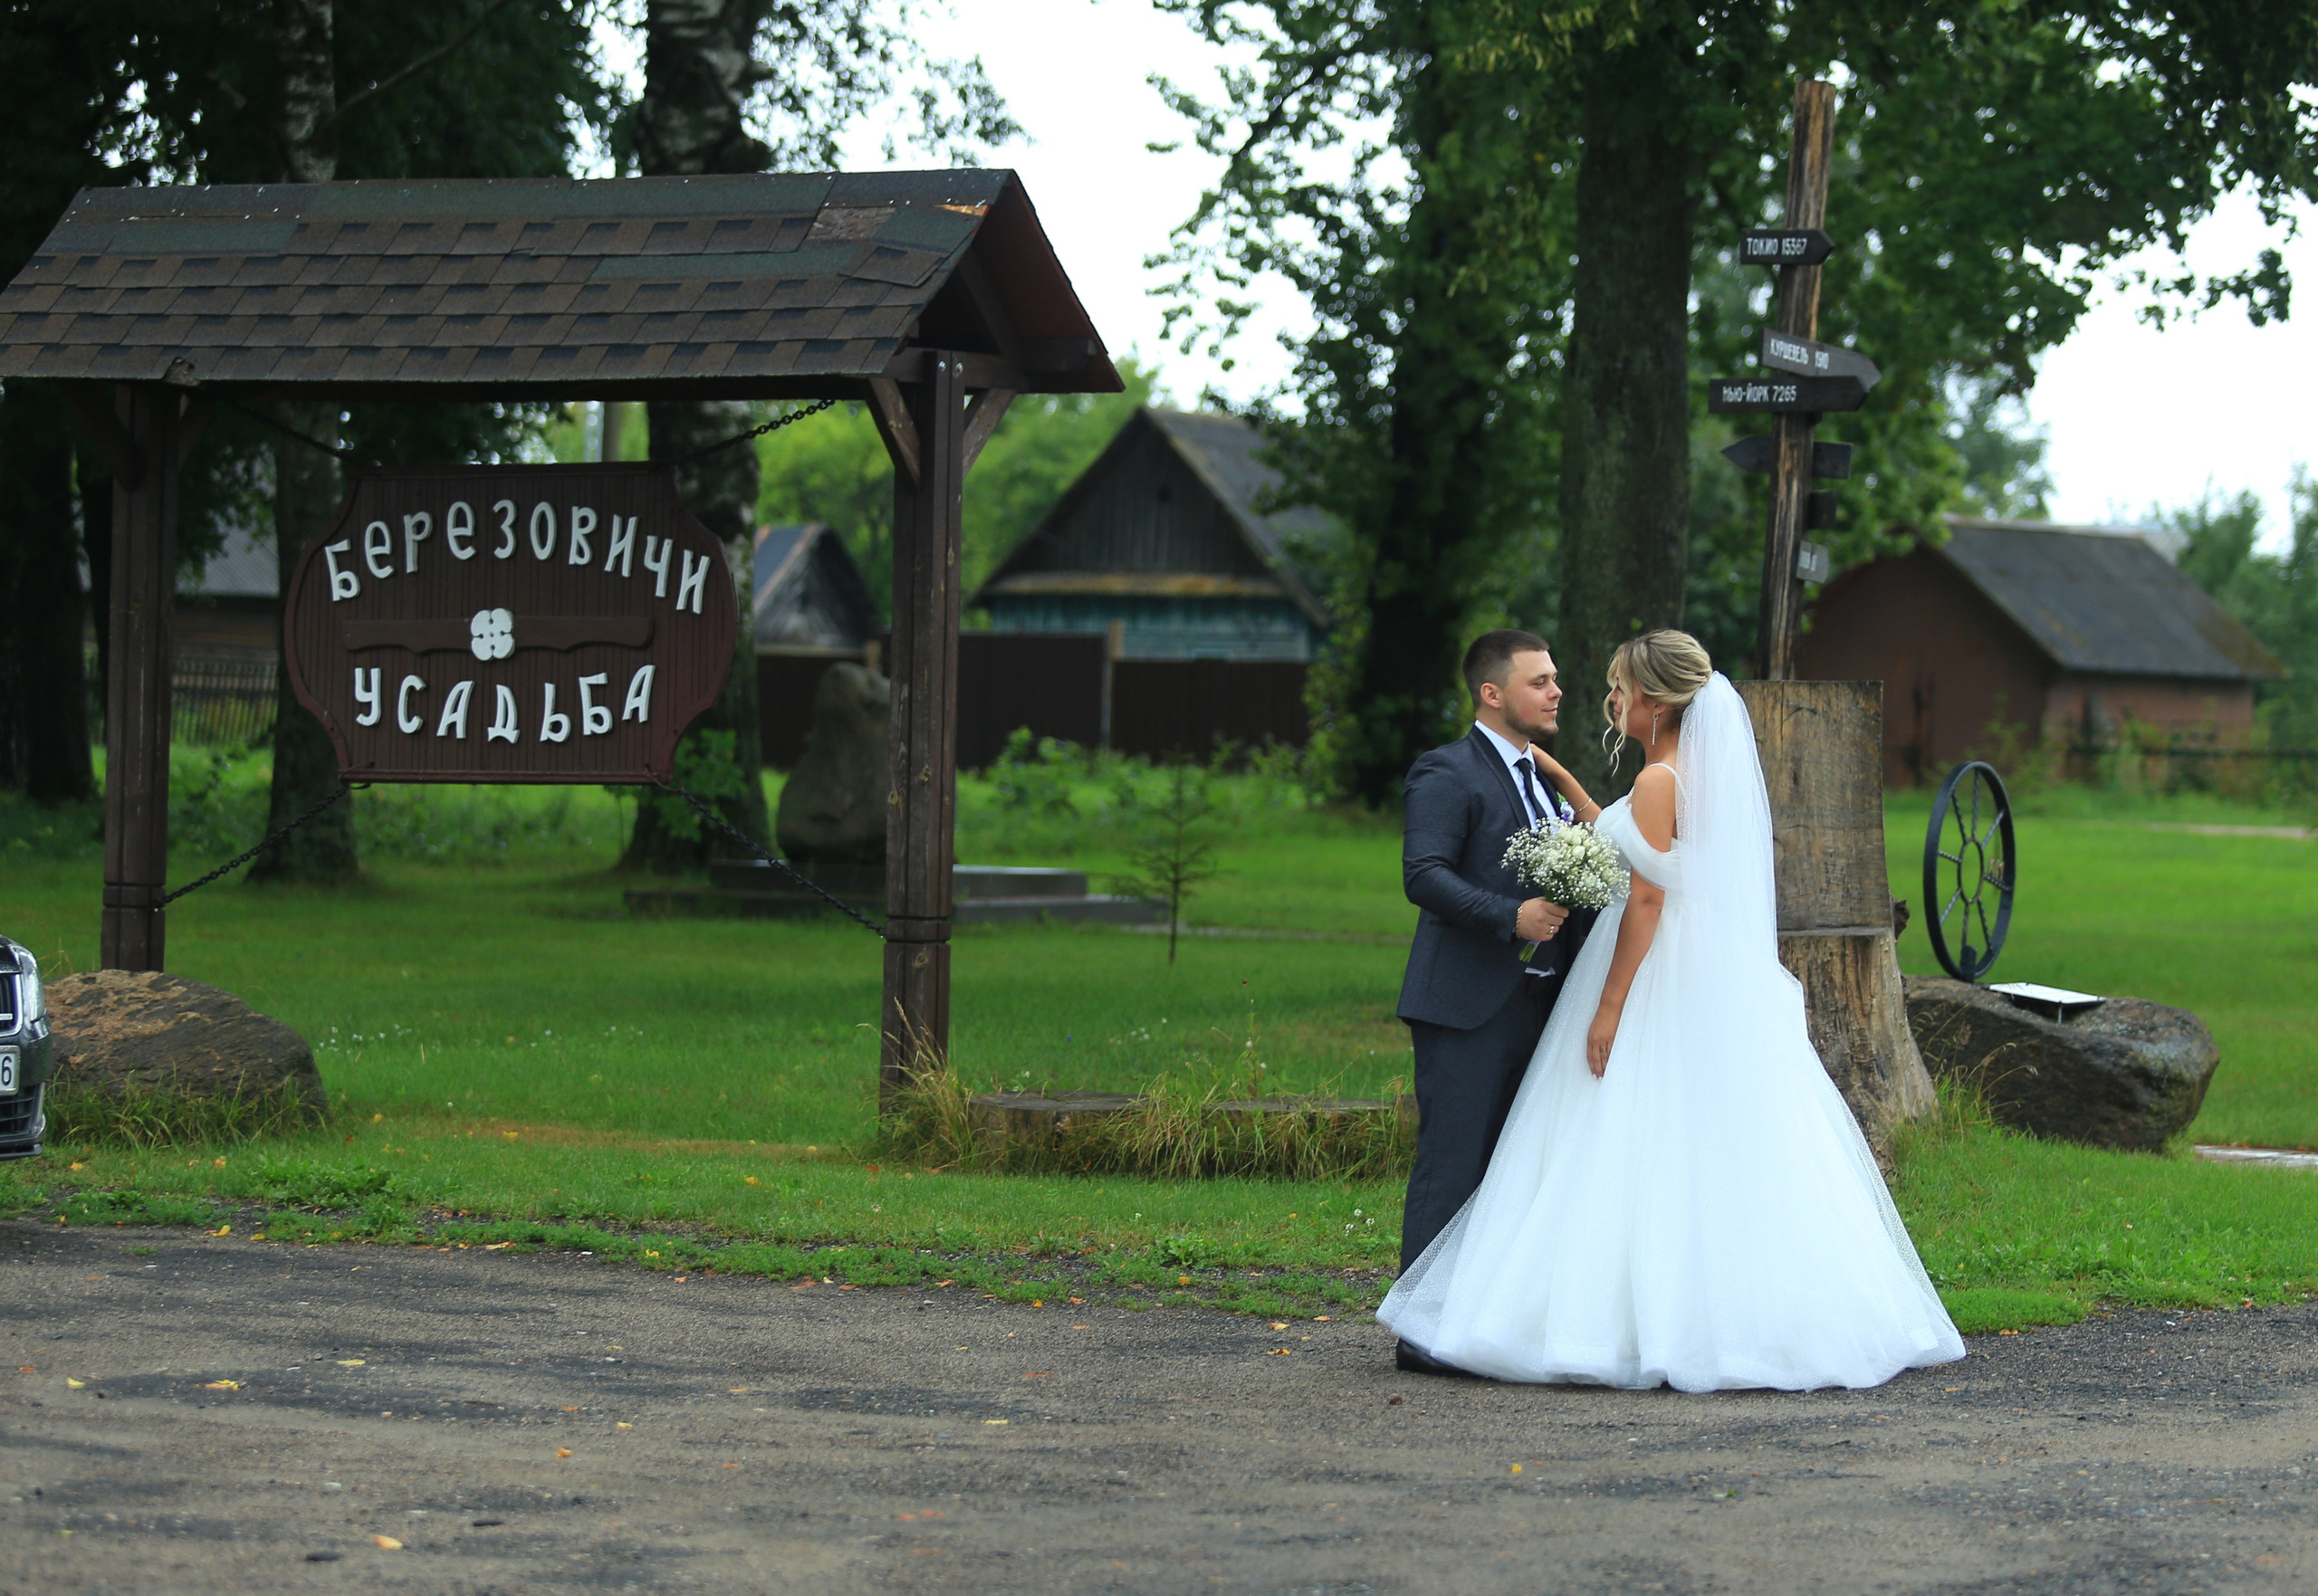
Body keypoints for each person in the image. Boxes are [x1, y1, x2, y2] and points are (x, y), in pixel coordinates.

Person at [1381, 629, 1964, 1391]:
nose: (1605, 699)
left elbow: (1647, 896)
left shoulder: (1660, 780)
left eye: (1618, 686)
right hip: (1686, 969)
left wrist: (1610, 1005)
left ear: (1655, 699)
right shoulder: (1675, 774)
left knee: (1623, 1134)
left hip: (1649, 971)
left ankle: (1593, 1318)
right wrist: (1567, 786)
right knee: (1687, 1137)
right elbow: (1634, 848)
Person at [1392, 630, 1599, 1375]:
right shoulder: (1446, 771)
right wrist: (1507, 916)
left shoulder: (1542, 779)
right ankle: (1422, 1334)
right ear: (1492, 692)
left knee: (1521, 1173)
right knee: (1453, 1168)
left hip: (1545, 1005)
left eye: (1555, 680)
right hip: (1466, 1003)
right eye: (1540, 681)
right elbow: (1424, 873)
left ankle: (1488, 1325)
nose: (1556, 692)